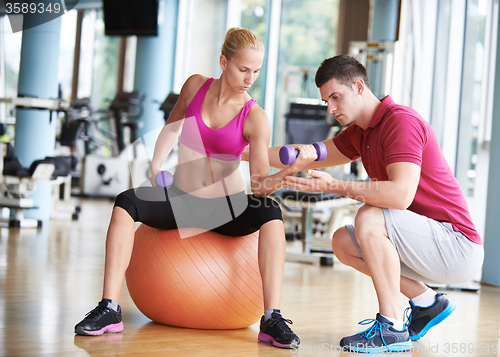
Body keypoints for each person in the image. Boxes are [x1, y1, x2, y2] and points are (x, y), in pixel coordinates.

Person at [74, 28, 315, 349]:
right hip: (182, 200)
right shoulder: (195, 86)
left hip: (225, 207)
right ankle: (109, 308)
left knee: (270, 210)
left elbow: (259, 186)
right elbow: (172, 126)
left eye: (256, 71)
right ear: (223, 61)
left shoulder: (256, 117)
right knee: (125, 202)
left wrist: (289, 171)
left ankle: (272, 317)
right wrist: (156, 164)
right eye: (243, 69)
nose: (249, 78)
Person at [266, 55, 484, 353]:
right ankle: (426, 302)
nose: (330, 109)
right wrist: (237, 151)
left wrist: (334, 186)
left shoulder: (400, 122)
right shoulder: (360, 132)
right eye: (326, 101)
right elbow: (305, 154)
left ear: (358, 86)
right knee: (343, 241)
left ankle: (392, 327)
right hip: (427, 241)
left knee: (369, 216)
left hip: (457, 246)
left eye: (335, 97)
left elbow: (399, 196)